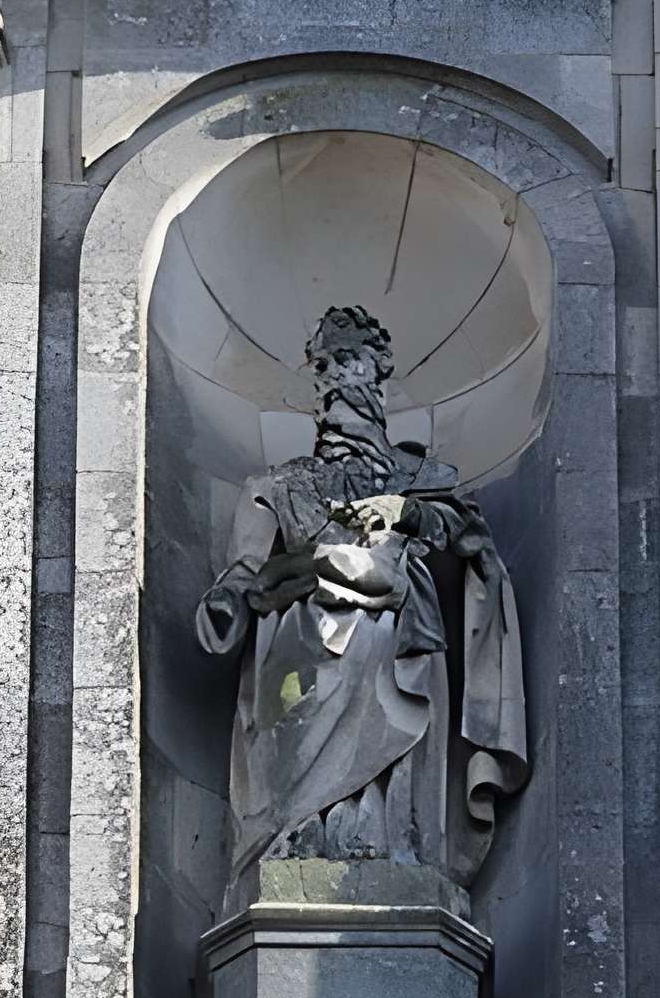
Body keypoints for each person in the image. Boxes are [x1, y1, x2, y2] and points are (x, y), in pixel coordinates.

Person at [196, 304, 527, 909]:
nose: (330, 377)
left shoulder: (420, 476)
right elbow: (243, 574)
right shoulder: (278, 484)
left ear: (378, 371)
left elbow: (472, 543)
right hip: (302, 635)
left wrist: (405, 512)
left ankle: (392, 841)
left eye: (345, 359)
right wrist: (225, 606)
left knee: (388, 672)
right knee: (297, 705)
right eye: (320, 364)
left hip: (397, 634)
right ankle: (301, 842)